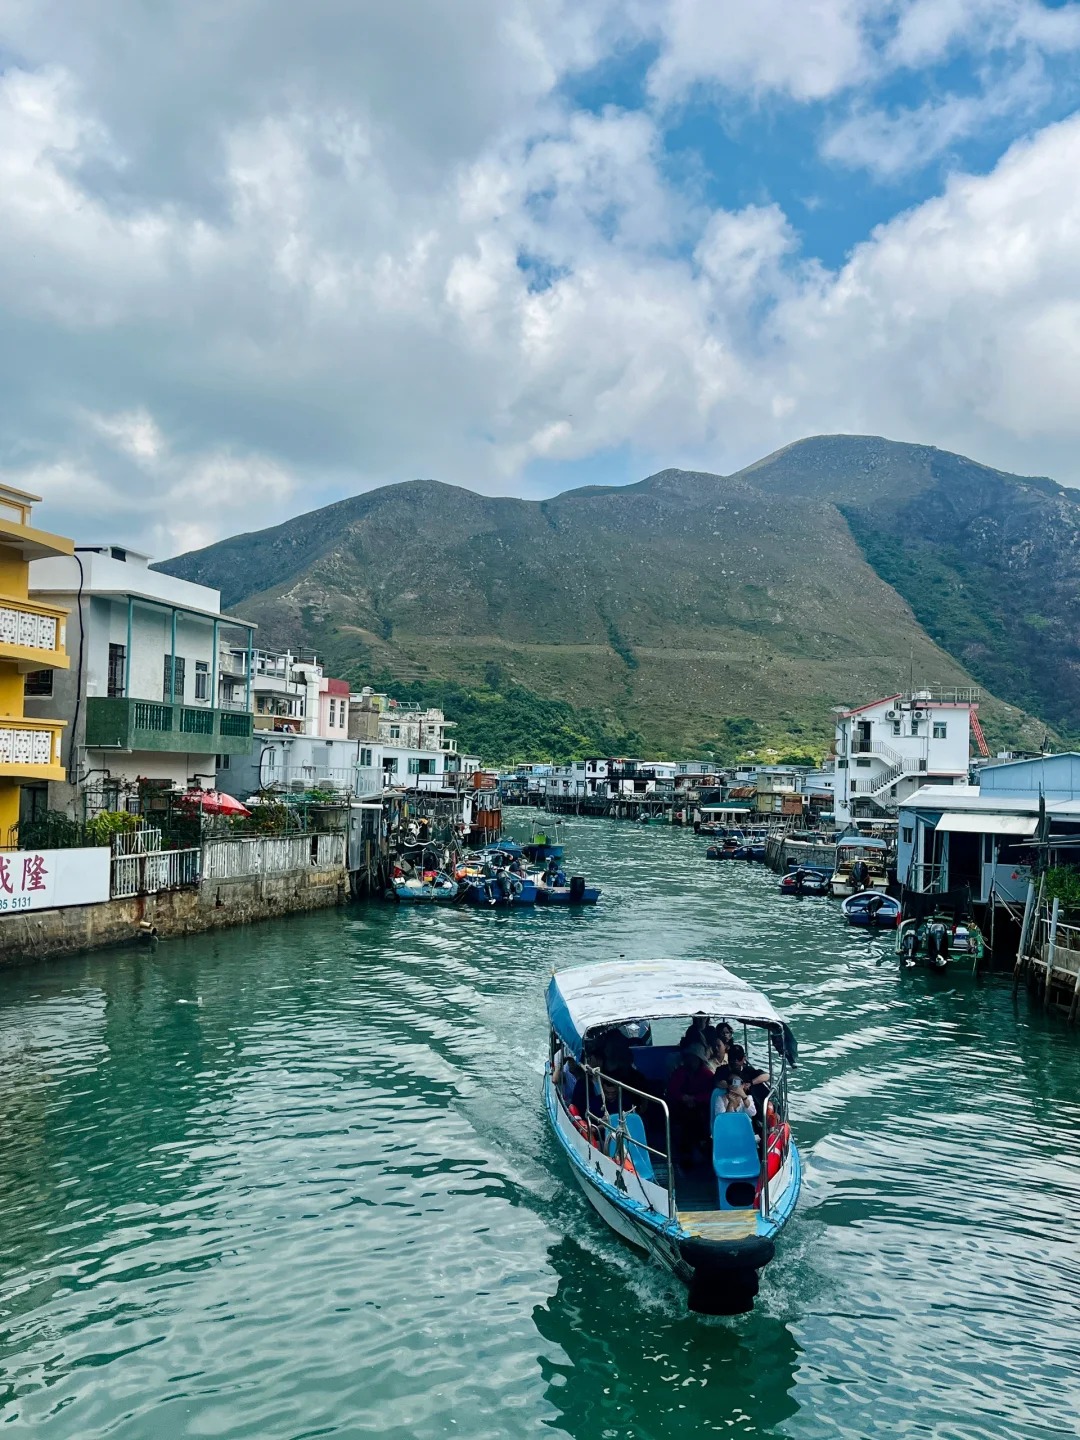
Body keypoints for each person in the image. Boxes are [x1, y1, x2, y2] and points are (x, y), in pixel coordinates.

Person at [668, 1040, 714, 1166]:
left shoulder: (707, 1074)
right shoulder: (679, 1072)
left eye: (694, 1058)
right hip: (681, 1105)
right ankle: (686, 1152)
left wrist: (695, 1098)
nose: (691, 1061)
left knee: (697, 1118)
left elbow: (710, 1094)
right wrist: (684, 1098)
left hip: (700, 1107)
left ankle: (699, 1149)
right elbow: (672, 1090)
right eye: (689, 1058)